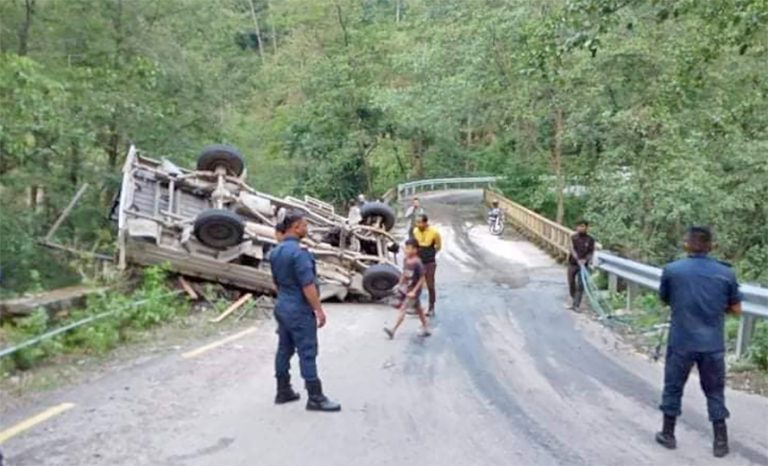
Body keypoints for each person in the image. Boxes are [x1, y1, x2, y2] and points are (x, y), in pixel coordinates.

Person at [655, 226, 741, 458]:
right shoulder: (726, 273)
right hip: (712, 344)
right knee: (714, 391)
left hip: (681, 340)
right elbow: (736, 308)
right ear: (711, 246)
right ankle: (720, 442)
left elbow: (665, 299)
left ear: (687, 244)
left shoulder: (673, 270)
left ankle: (668, 433)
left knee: (673, 386)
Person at [269, 211, 341, 412]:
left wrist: (285, 298)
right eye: (305, 226)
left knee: (284, 348)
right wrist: (318, 310)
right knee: (307, 351)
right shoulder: (300, 253)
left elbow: (275, 282)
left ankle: (283, 391)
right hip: (299, 309)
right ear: (296, 227)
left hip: (282, 306)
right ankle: (315, 397)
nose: (307, 229)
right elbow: (308, 285)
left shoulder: (275, 252)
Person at [384, 239, 431, 339]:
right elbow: (404, 274)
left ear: (415, 250)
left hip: (414, 291)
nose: (406, 250)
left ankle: (393, 330)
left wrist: (414, 291)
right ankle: (426, 328)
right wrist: (399, 284)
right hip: (407, 288)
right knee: (418, 309)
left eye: (408, 248)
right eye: (406, 248)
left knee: (403, 309)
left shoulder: (417, 263)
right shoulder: (406, 260)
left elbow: (422, 279)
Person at [412, 214, 441, 317]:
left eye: (420, 222)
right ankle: (415, 307)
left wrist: (431, 254)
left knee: (430, 285)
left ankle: (431, 307)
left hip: (430, 262)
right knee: (415, 284)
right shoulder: (415, 231)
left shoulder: (434, 232)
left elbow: (438, 246)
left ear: (425, 222)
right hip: (418, 261)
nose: (418, 224)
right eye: (417, 222)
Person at [566, 220, 595, 311]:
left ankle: (576, 304)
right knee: (571, 283)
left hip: (584, 266)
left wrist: (585, 260)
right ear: (576, 227)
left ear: (586, 227)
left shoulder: (590, 239)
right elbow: (571, 249)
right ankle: (574, 299)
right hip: (573, 263)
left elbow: (591, 252)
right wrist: (578, 259)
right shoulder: (573, 238)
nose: (581, 228)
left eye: (583, 226)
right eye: (579, 226)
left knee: (581, 285)